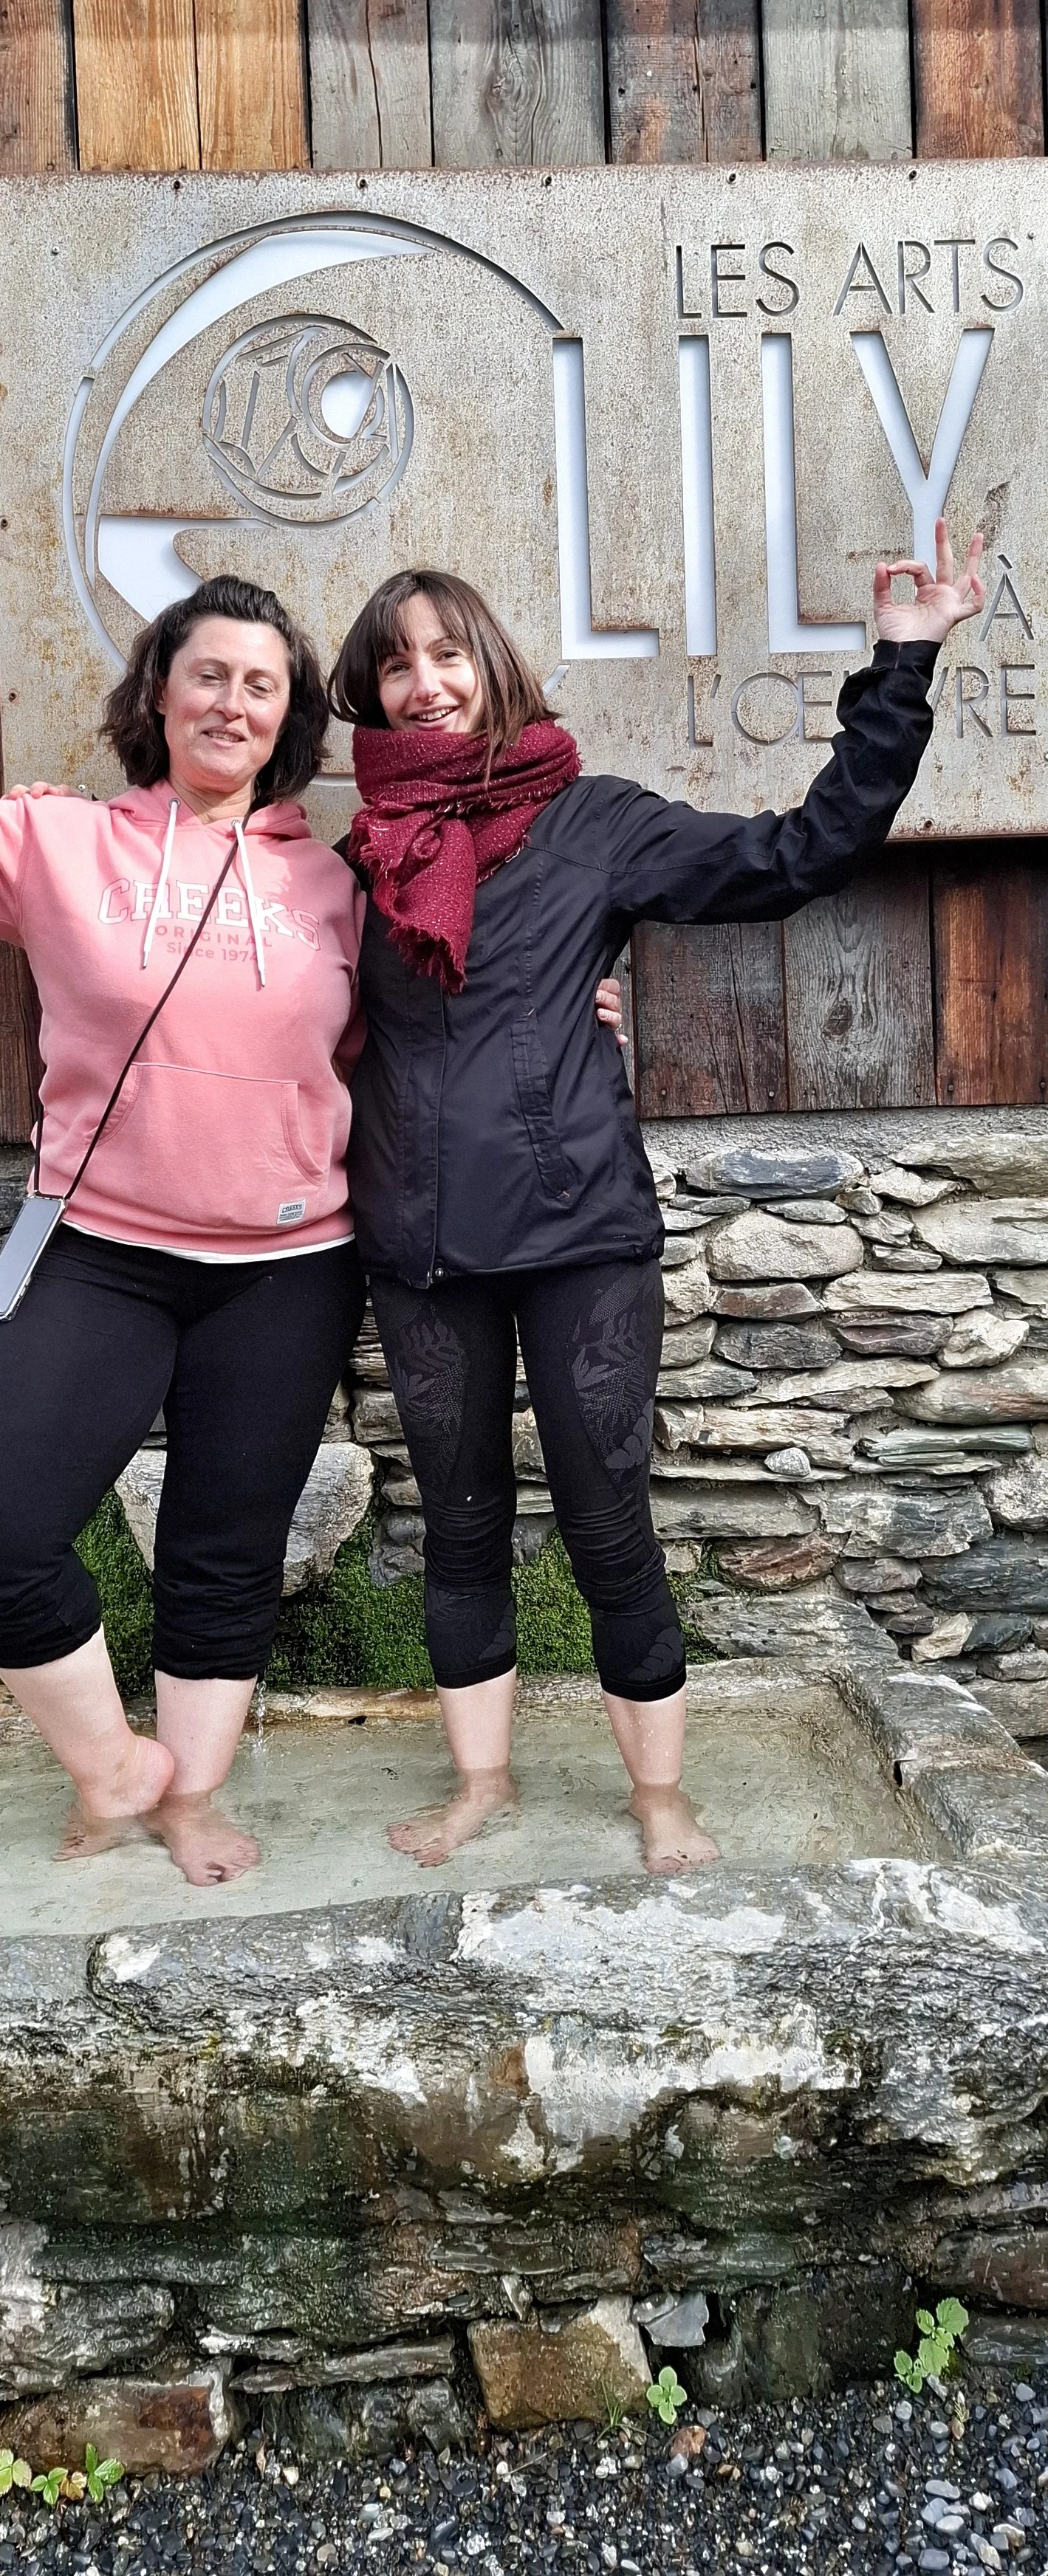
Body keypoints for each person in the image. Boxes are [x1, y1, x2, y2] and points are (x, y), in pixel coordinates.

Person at [332, 526, 984, 1874]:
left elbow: (802, 853)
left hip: (579, 1239)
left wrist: (901, 661)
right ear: (369, 694)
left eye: (448, 653)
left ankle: (657, 1797)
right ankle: (481, 1785)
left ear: (493, 665)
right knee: (457, 1530)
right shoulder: (359, 857)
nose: (424, 685)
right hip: (419, 1246)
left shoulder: (595, 821)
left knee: (605, 1518)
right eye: (396, 667)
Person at [0, 508, 369, 1886]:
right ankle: (115, 1769)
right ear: (157, 694)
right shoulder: (58, 846)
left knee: (224, 1554)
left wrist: (576, 1007)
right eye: (207, 672)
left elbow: (398, 1039)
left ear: (288, 725)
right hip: (98, 1252)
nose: (231, 699)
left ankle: (193, 1797)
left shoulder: (334, 888)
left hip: (288, 1267)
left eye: (260, 684)